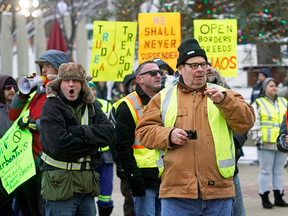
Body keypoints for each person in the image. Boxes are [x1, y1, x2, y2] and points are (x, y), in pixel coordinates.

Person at [135, 38, 255, 215]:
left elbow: (247, 122)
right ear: (180, 69)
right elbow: (143, 132)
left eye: (203, 64)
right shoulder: (163, 97)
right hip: (177, 195)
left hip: (219, 192)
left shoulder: (224, 93)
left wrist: (224, 101)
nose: (200, 69)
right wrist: (169, 136)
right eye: (193, 65)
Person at [39, 62, 114, 215]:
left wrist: (81, 131)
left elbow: (109, 134)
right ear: (59, 83)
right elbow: (60, 145)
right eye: (66, 80)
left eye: (76, 81)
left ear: (83, 84)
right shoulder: (51, 106)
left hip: (86, 186)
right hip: (60, 187)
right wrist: (93, 145)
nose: (71, 84)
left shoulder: (92, 106)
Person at [9, 49, 71, 216]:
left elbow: (62, 125)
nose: (43, 71)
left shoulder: (66, 94)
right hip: (29, 163)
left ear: (60, 68)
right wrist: (22, 93)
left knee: (47, 209)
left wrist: (33, 124)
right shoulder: (37, 92)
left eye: (48, 66)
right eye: (42, 66)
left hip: (49, 163)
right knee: (31, 209)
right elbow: (13, 114)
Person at [115, 61, 162, 216]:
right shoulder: (127, 105)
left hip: (167, 176)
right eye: (153, 73)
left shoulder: (168, 100)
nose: (159, 75)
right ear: (140, 79)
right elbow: (122, 147)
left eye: (159, 72)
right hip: (144, 178)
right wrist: (133, 177)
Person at [205, 65, 247, 216]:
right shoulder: (192, 97)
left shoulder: (229, 93)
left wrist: (233, 147)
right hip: (204, 172)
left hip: (229, 170)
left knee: (237, 212)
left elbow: (243, 125)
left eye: (208, 64)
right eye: (202, 65)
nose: (207, 68)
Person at [250, 77, 288, 208]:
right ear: (265, 88)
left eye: (275, 86)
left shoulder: (284, 101)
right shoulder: (258, 103)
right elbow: (254, 122)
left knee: (278, 171)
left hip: (281, 144)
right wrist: (257, 139)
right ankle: (264, 197)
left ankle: (278, 197)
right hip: (265, 143)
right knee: (265, 171)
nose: (274, 88)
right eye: (271, 86)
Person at [109, 73, 136, 216]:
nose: (136, 87)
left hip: (152, 168)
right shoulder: (119, 106)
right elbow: (114, 140)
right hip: (128, 166)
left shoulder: (154, 102)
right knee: (131, 204)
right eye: (133, 84)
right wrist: (120, 163)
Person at [88, 81, 114, 216]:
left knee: (106, 190)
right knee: (88, 189)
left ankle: (105, 211)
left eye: (94, 89)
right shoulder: (82, 105)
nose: (92, 91)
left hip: (106, 155)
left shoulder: (106, 104)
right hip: (89, 155)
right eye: (89, 89)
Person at [250, 68, 271, 166]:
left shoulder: (270, 86)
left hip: (266, 116)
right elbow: (251, 100)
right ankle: (258, 158)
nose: (260, 77)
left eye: (262, 75)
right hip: (256, 114)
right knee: (256, 136)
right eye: (259, 75)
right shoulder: (255, 87)